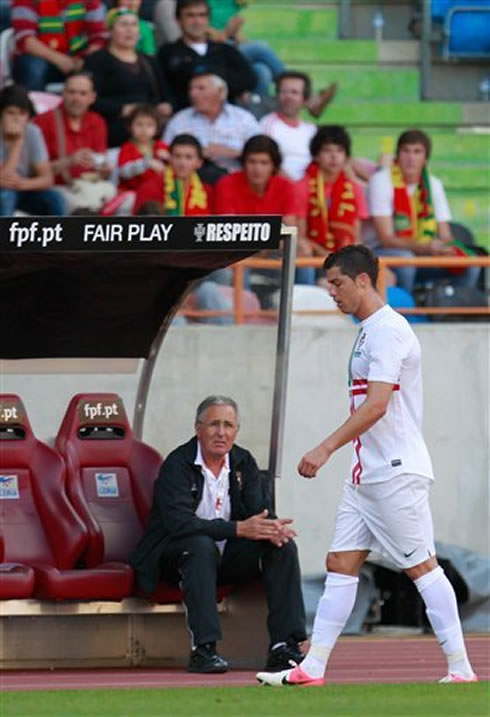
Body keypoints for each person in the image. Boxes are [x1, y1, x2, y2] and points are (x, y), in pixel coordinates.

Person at [257, 245, 478, 687]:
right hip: (367, 475)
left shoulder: (388, 331)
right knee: (340, 562)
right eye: (328, 285)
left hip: (394, 472)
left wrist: (325, 448)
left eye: (337, 284)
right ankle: (311, 668)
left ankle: (461, 668)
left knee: (422, 567)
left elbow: (378, 405)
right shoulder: (367, 330)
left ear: (363, 280)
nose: (332, 294)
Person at [131, 395, 306, 673]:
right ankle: (204, 649)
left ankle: (284, 647)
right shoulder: (177, 465)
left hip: (226, 557)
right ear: (198, 428)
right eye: (213, 424)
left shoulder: (242, 462)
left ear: (236, 430)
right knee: (200, 546)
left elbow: (258, 512)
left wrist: (271, 528)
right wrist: (239, 528)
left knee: (282, 546)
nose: (221, 433)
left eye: (228, 425)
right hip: (174, 557)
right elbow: (180, 525)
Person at [367, 128, 480, 293]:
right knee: (406, 260)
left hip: (424, 253)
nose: (411, 158)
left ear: (426, 159)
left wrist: (446, 248)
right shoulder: (381, 181)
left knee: (471, 264)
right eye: (406, 151)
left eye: (417, 152)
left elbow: (445, 234)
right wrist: (426, 247)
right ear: (397, 156)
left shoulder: (434, 184)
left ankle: (452, 310)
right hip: (381, 252)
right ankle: (405, 313)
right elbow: (385, 239)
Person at [215, 133, 315, 289]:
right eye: (252, 162)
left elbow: (289, 232)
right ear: (244, 163)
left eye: (264, 163)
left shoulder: (286, 187)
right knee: (237, 263)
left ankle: (303, 309)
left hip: (272, 251)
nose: (257, 168)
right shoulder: (226, 184)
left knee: (302, 254)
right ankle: (246, 311)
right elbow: (228, 234)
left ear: (273, 166)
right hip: (238, 254)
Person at [84, 7, 172, 147]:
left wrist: (165, 105)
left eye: (133, 25)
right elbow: (89, 99)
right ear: (110, 30)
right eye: (123, 24)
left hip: (149, 128)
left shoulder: (149, 61)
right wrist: (122, 109)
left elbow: (165, 95)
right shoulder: (97, 60)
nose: (129, 30)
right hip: (115, 127)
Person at [34, 70, 115, 212]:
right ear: (63, 93)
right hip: (58, 188)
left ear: (92, 97)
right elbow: (33, 172)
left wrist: (104, 170)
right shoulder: (43, 122)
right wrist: (70, 161)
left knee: (111, 192)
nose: (76, 98)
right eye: (72, 92)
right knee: (75, 202)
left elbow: (101, 167)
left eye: (83, 94)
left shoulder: (97, 122)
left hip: (90, 186)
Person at [156, 0, 257, 111]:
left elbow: (249, 79)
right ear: (178, 20)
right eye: (190, 16)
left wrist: (216, 79)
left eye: (202, 15)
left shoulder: (224, 50)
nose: (197, 21)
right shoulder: (168, 53)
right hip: (186, 116)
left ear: (208, 20)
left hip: (227, 114)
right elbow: (163, 90)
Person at [163, 72, 259, 172]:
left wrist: (232, 152)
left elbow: (261, 150)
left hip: (235, 178)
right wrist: (196, 154)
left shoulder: (243, 118)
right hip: (193, 180)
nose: (193, 94)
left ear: (220, 92)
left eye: (201, 88)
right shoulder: (180, 120)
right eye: (191, 89)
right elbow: (164, 152)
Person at [298, 125, 368, 256]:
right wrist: (324, 254)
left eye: (339, 151)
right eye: (327, 150)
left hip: (344, 258)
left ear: (346, 157)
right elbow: (299, 236)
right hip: (311, 255)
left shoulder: (354, 189)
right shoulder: (302, 186)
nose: (334, 156)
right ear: (316, 156)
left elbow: (356, 236)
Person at [11, 0, 107, 91]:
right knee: (33, 68)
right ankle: (34, 106)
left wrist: (85, 59)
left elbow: (98, 37)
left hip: (80, 58)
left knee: (103, 63)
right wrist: (61, 60)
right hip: (44, 58)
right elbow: (25, 40)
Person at [0, 84, 66, 216]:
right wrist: (18, 143)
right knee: (5, 196)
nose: (17, 118)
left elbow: (47, 179)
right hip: (3, 193)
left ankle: (60, 235)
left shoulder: (32, 132)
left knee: (55, 198)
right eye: (11, 112)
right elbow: (5, 180)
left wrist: (22, 184)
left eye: (22, 114)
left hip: (24, 189)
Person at [259, 72, 317, 182]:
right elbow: (266, 163)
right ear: (277, 96)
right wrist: (296, 187)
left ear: (304, 100)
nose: (288, 97)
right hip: (282, 188)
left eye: (294, 92)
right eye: (284, 92)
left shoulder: (312, 130)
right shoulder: (267, 124)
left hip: (311, 186)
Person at [118, 104, 169, 194]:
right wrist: (146, 163)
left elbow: (174, 169)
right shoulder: (127, 148)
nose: (144, 129)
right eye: (139, 124)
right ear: (130, 127)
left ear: (156, 128)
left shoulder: (161, 146)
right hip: (132, 192)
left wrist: (169, 158)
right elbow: (124, 172)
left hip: (157, 192)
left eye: (149, 125)